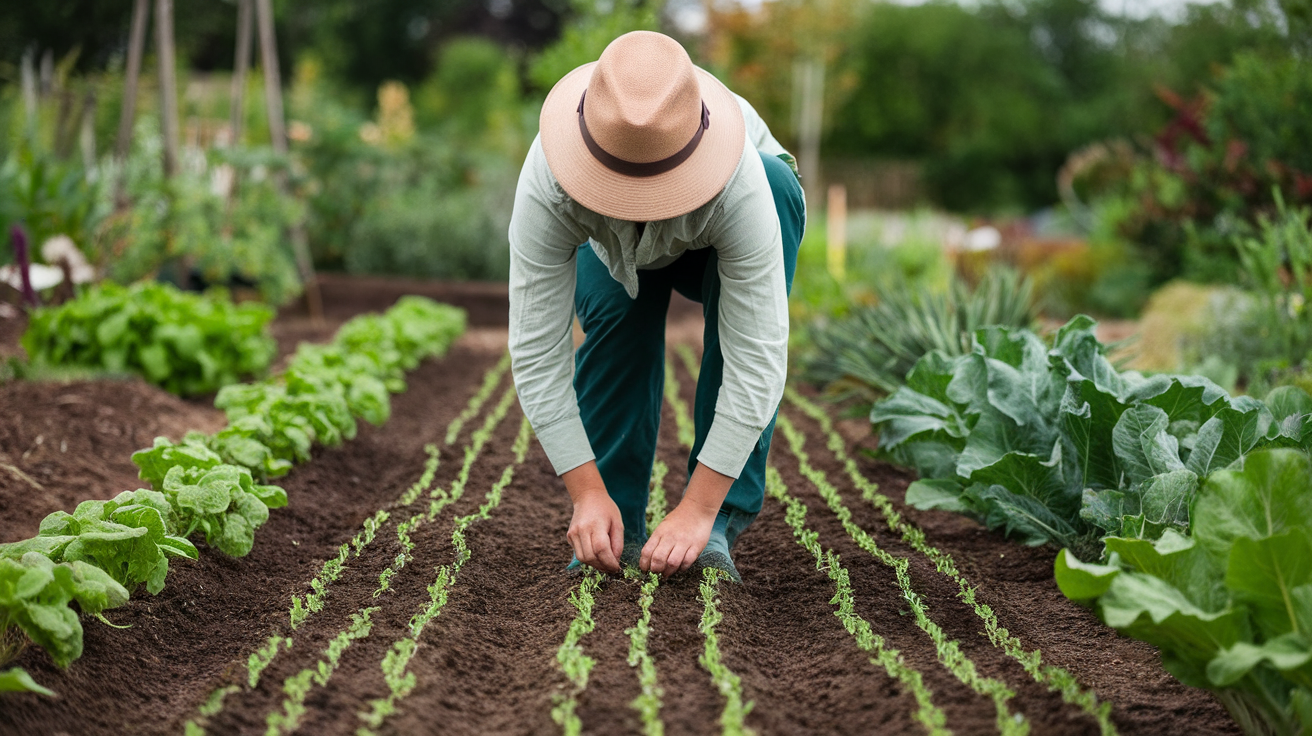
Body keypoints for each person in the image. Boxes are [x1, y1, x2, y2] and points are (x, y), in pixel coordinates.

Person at [508, 30, 804, 581]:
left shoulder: (740, 181)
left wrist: (697, 509)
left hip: (714, 238)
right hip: (610, 248)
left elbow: (757, 359)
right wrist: (585, 490)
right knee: (617, 319)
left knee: (778, 183)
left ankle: (718, 523)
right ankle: (610, 520)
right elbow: (535, 350)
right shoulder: (551, 177)